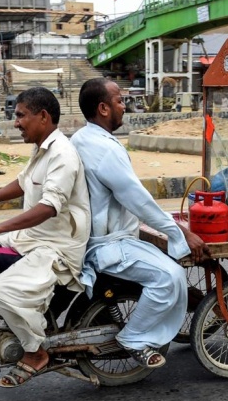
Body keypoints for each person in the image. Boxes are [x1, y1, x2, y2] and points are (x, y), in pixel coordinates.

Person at [70, 78, 210, 369]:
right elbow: (138, 199)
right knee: (169, 276)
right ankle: (132, 338)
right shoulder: (105, 149)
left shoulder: (82, 138)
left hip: (105, 236)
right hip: (109, 245)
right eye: (120, 101)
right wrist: (181, 232)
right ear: (103, 108)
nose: (125, 106)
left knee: (163, 262)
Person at [0, 87, 90, 388]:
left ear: (43, 116)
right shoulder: (43, 148)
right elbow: (23, 184)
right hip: (33, 237)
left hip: (56, 246)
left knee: (4, 289)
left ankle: (36, 353)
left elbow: (49, 207)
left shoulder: (62, 154)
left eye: (21, 115)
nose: (16, 123)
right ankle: (25, 321)